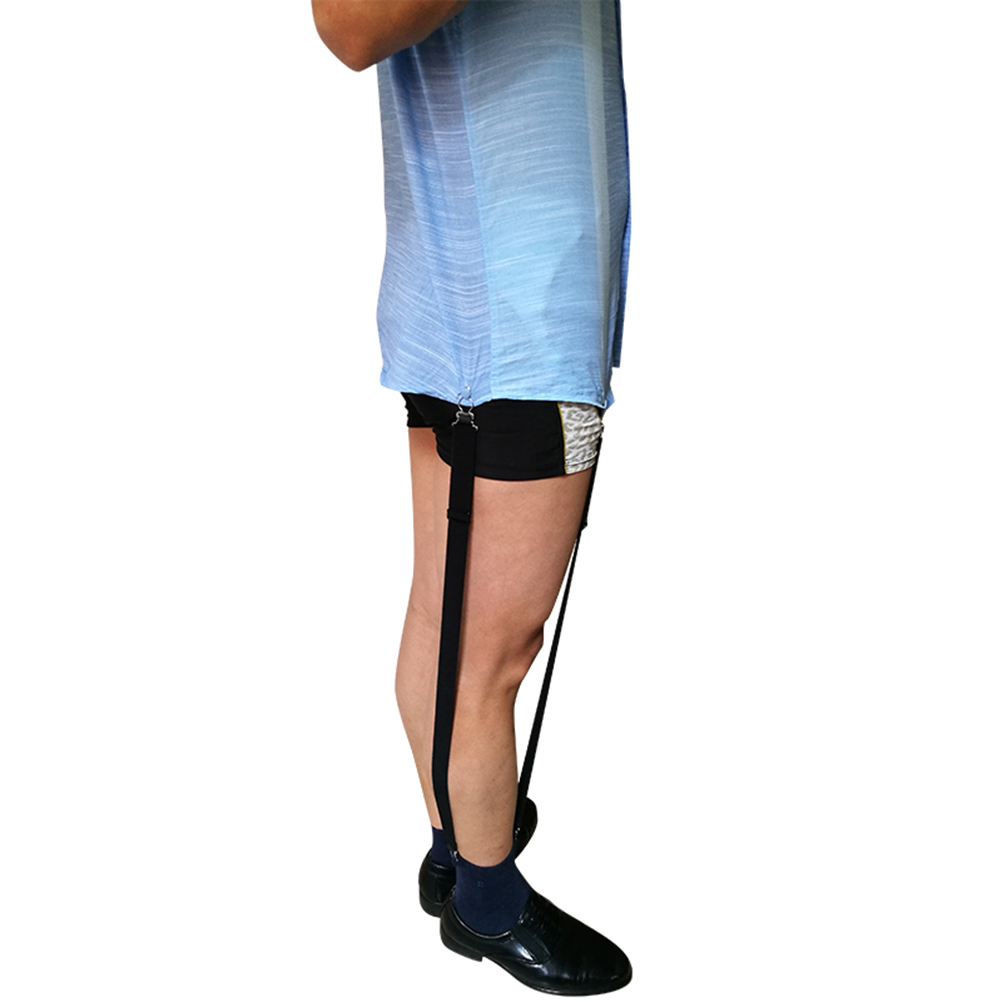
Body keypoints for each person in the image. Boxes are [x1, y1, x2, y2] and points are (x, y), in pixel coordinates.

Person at [311, 1, 632, 993]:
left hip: (485, 298)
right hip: (521, 323)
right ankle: (487, 906)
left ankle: (456, 848)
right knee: (497, 649)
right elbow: (347, 25)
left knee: (447, 617)